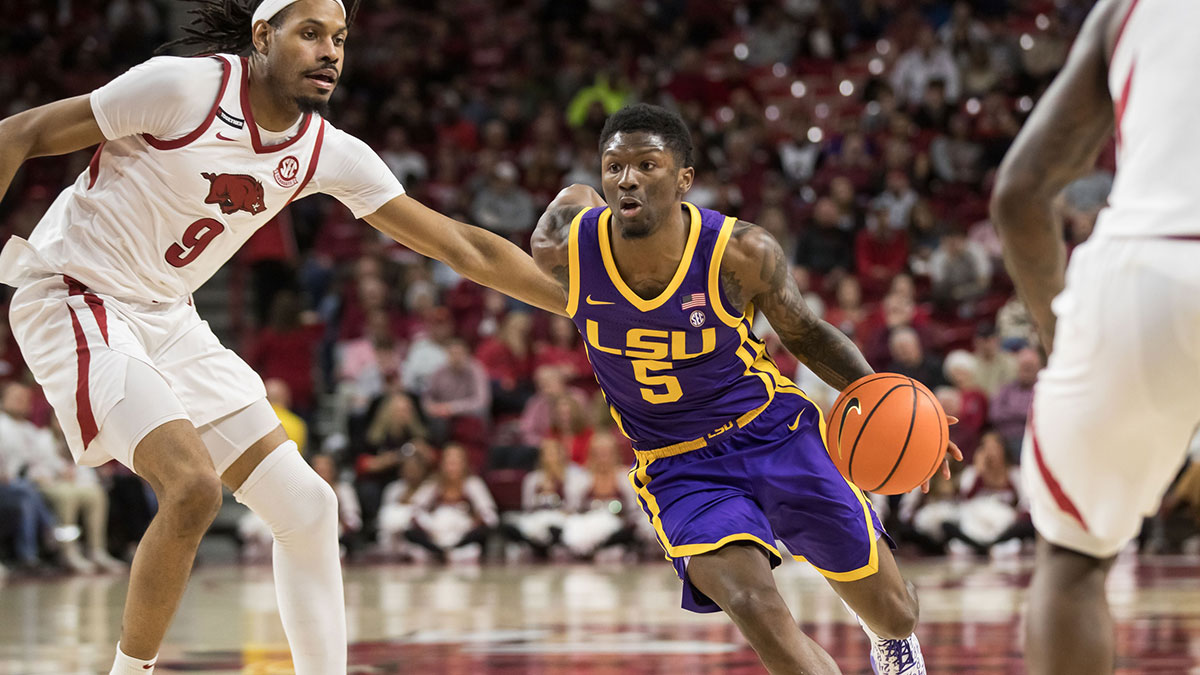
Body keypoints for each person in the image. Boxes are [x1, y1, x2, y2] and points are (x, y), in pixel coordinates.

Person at [0, 1, 565, 673]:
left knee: (308, 505)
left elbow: (463, 246)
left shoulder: (323, 150)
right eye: (311, 33)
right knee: (192, 486)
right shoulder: (183, 87)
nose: (330, 51)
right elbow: (21, 131)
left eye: (340, 39)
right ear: (263, 36)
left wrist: (587, 305)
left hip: (167, 313)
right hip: (74, 290)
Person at [532, 103, 961, 675]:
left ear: (684, 179)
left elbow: (805, 333)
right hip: (681, 463)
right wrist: (372, 194)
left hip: (773, 432)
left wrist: (893, 406)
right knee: (753, 604)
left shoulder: (741, 251)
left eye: (646, 164)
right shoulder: (577, 256)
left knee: (897, 613)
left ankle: (889, 638)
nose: (627, 178)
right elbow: (484, 246)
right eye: (614, 167)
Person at [990, 1, 1200, 672]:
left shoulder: (1132, 8)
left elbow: (1020, 192)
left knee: (1074, 556)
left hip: (1152, 267)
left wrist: (1061, 334)